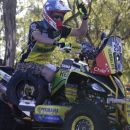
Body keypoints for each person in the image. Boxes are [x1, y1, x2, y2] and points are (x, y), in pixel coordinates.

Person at [20, 0, 88, 105]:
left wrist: (85, 17)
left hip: (43, 64)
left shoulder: (61, 30)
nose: (59, 19)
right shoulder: (36, 25)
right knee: (50, 73)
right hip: (26, 63)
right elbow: (38, 37)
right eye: (56, 16)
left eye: (61, 17)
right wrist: (56, 43)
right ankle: (45, 100)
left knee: (64, 73)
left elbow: (81, 32)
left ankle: (60, 100)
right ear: (48, 14)